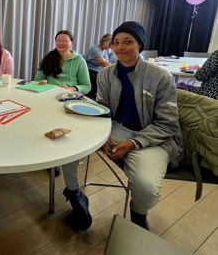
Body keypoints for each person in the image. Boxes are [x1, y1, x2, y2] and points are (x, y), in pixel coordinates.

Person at [62, 21, 184, 231]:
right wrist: (99, 135)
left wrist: (132, 143)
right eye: (116, 42)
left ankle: (138, 215)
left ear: (140, 45)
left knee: (146, 187)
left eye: (128, 42)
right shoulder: (106, 75)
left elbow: (167, 123)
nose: (120, 47)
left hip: (151, 135)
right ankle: (74, 193)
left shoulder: (161, 77)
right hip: (114, 127)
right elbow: (102, 109)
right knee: (68, 145)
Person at [34, 30, 91, 94]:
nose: (61, 43)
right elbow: (37, 80)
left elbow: (86, 86)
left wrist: (71, 89)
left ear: (72, 43)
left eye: (65, 41)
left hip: (68, 94)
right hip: (48, 92)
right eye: (58, 41)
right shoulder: (49, 57)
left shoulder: (80, 60)